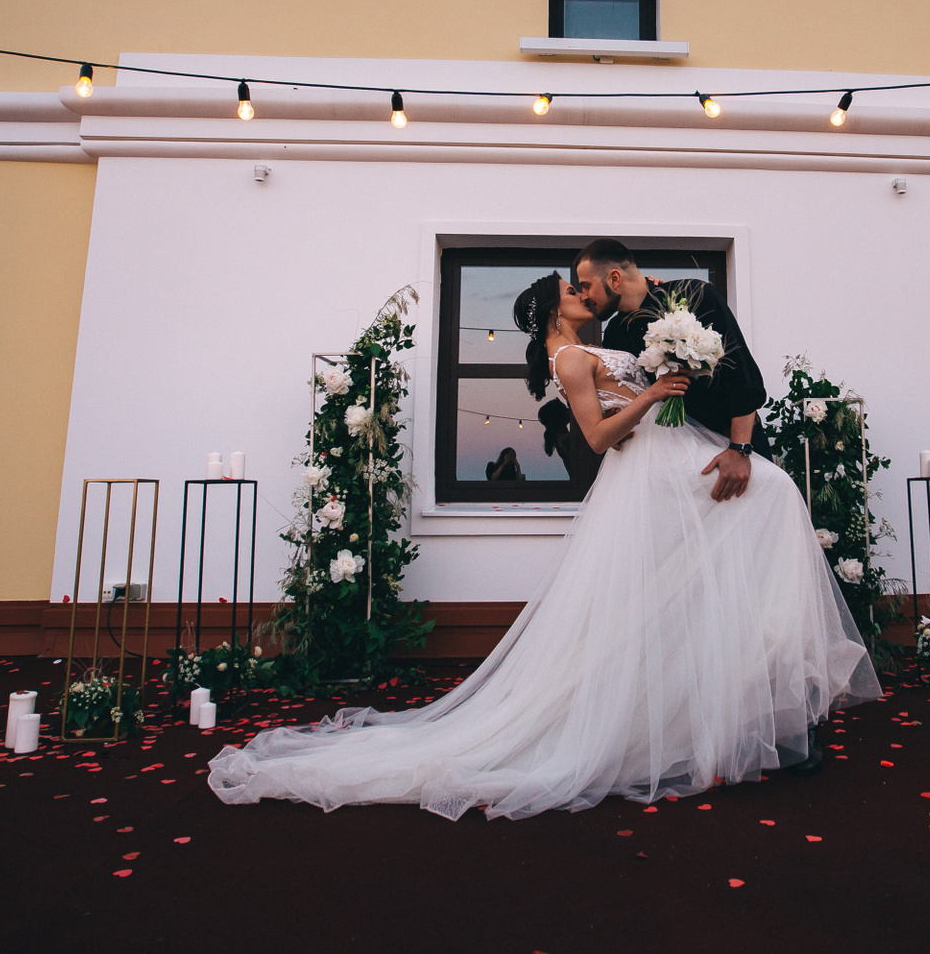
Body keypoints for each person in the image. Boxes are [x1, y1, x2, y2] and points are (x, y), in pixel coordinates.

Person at [207, 272, 879, 820]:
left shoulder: (603, 341)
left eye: (584, 286)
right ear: (554, 312)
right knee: (770, 499)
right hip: (650, 468)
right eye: (571, 291)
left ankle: (749, 708)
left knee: (718, 560)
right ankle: (741, 712)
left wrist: (668, 367)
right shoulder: (569, 357)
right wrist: (653, 394)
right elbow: (597, 436)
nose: (584, 295)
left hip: (671, 455)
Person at [572, 239, 768, 502]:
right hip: (679, 466)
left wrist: (740, 449)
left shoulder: (695, 295)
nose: (584, 296)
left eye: (586, 285)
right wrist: (618, 421)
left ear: (614, 279)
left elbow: (743, 376)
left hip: (734, 449)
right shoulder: (616, 335)